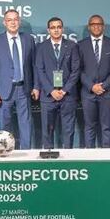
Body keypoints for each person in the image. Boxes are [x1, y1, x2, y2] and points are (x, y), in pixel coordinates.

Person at [0, 9, 36, 148]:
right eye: (9, 20)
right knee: (5, 124)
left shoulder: (28, 39)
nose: (13, 23)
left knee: (25, 123)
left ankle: (26, 154)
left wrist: (36, 86)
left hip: (24, 88)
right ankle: (6, 152)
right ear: (4, 22)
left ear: (19, 21)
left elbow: (34, 65)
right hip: (4, 91)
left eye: (15, 19)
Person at [35, 17, 80, 149]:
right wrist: (51, 90)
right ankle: (48, 155)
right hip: (48, 96)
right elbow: (40, 70)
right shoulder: (41, 47)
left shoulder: (72, 46)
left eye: (58, 27)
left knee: (68, 129)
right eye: (53, 27)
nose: (56, 30)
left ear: (62, 29)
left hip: (68, 95)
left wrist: (65, 90)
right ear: (48, 30)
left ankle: (68, 156)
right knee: (47, 130)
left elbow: (75, 71)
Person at [79, 14, 110, 148]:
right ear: (89, 27)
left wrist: (104, 85)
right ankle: (89, 158)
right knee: (89, 127)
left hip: (107, 93)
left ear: (103, 26)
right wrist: (91, 86)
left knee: (106, 127)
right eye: (93, 24)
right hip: (88, 93)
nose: (96, 27)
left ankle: (108, 160)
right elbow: (78, 70)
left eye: (99, 24)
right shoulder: (81, 45)